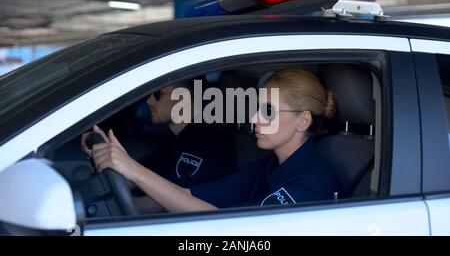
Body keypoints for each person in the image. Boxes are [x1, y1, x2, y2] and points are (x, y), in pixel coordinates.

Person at [90, 69, 340, 212]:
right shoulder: (269, 166)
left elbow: (236, 233)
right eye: (256, 108)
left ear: (302, 121)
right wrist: (126, 167)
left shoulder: (314, 182)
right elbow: (187, 194)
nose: (254, 118)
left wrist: (133, 170)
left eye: (268, 111)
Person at [81, 79, 234, 190]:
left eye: (158, 94)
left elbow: (175, 199)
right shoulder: (172, 140)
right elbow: (139, 180)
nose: (149, 101)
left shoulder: (208, 145)